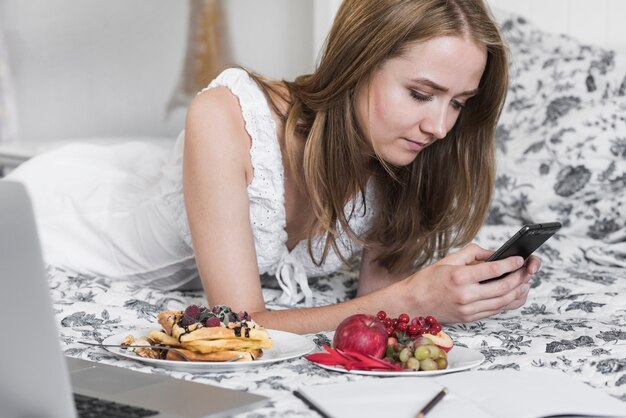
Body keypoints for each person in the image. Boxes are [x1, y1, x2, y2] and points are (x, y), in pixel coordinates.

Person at [6, 0, 540, 335]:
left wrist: (456, 290)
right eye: (422, 93)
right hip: (69, 216)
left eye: (459, 102)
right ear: (356, 63)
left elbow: (377, 302)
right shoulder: (226, 115)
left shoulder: (400, 153)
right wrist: (409, 298)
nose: (441, 127)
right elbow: (239, 324)